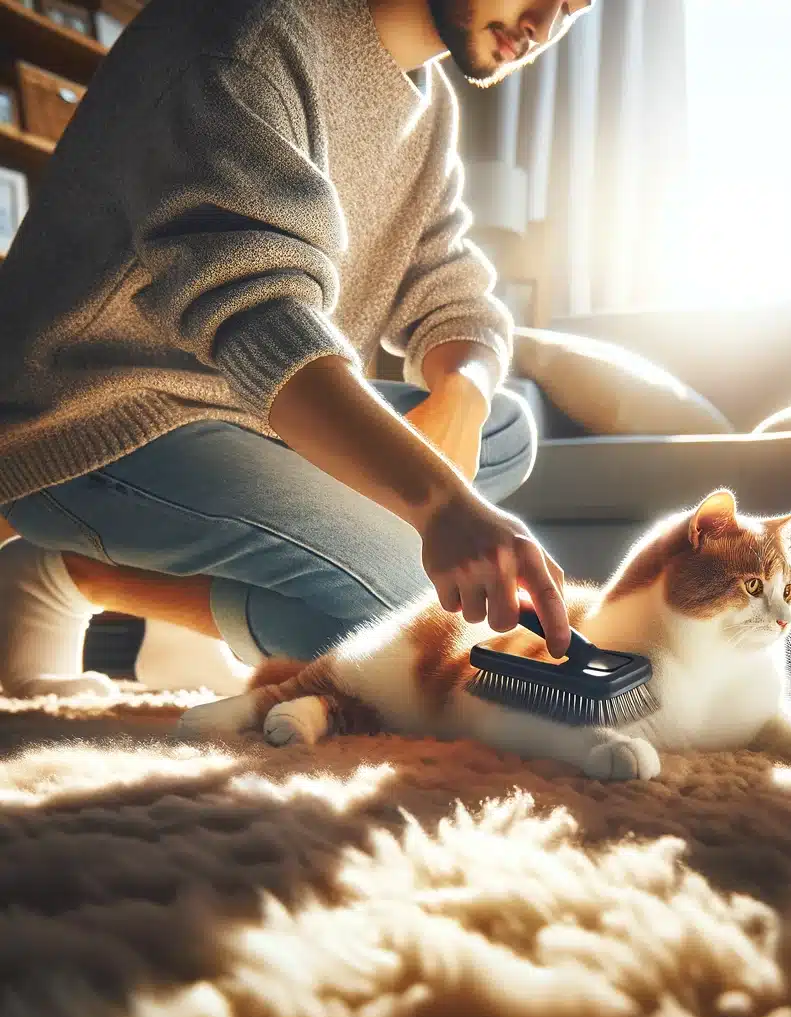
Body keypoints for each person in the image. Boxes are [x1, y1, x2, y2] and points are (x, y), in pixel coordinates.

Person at [0, 0, 591, 698]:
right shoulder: (242, 32)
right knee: (421, 620)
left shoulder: (428, 104)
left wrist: (461, 392)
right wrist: (440, 505)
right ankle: (66, 574)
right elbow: (256, 313)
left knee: (504, 427)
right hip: (99, 420)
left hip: (248, 410)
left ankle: (168, 583)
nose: (546, 25)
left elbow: (451, 288)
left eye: (578, 5)